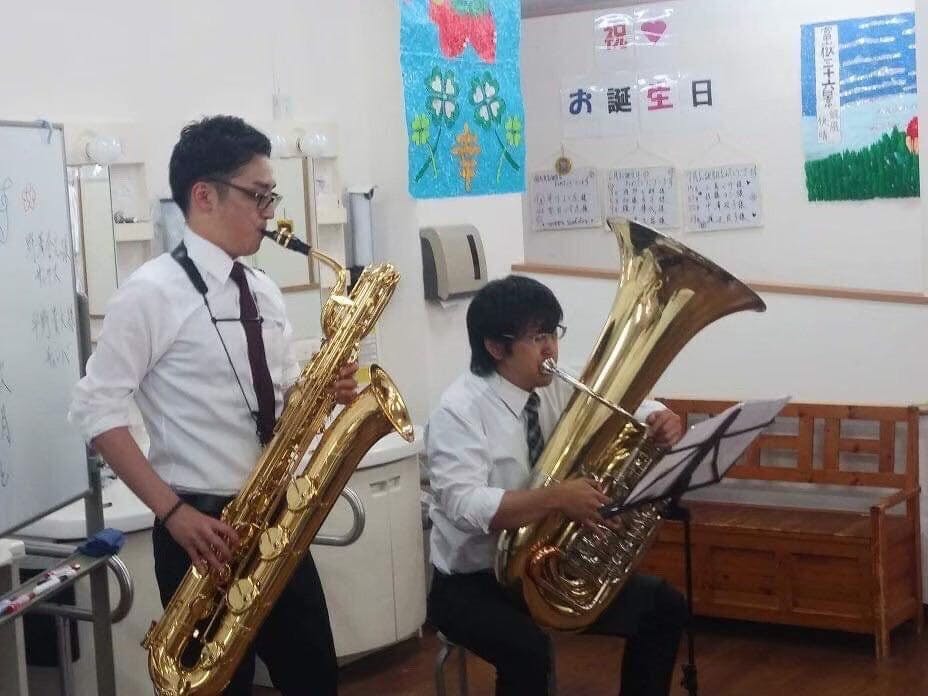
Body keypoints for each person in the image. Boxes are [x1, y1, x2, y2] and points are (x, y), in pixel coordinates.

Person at [70, 115, 356, 696]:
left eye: (271, 197)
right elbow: (96, 411)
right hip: (200, 528)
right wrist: (174, 513)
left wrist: (322, 395)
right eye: (258, 196)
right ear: (204, 195)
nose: (269, 213)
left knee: (315, 680)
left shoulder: (264, 290)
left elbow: (278, 401)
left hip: (276, 517)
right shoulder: (149, 293)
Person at [425, 275, 688, 696]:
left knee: (663, 607)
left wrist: (659, 416)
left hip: (544, 562)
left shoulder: (555, 383)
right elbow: (464, 506)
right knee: (528, 651)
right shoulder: (458, 411)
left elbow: (620, 401)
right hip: (473, 581)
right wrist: (556, 499)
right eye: (536, 338)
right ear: (496, 348)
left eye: (552, 332)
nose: (551, 349)